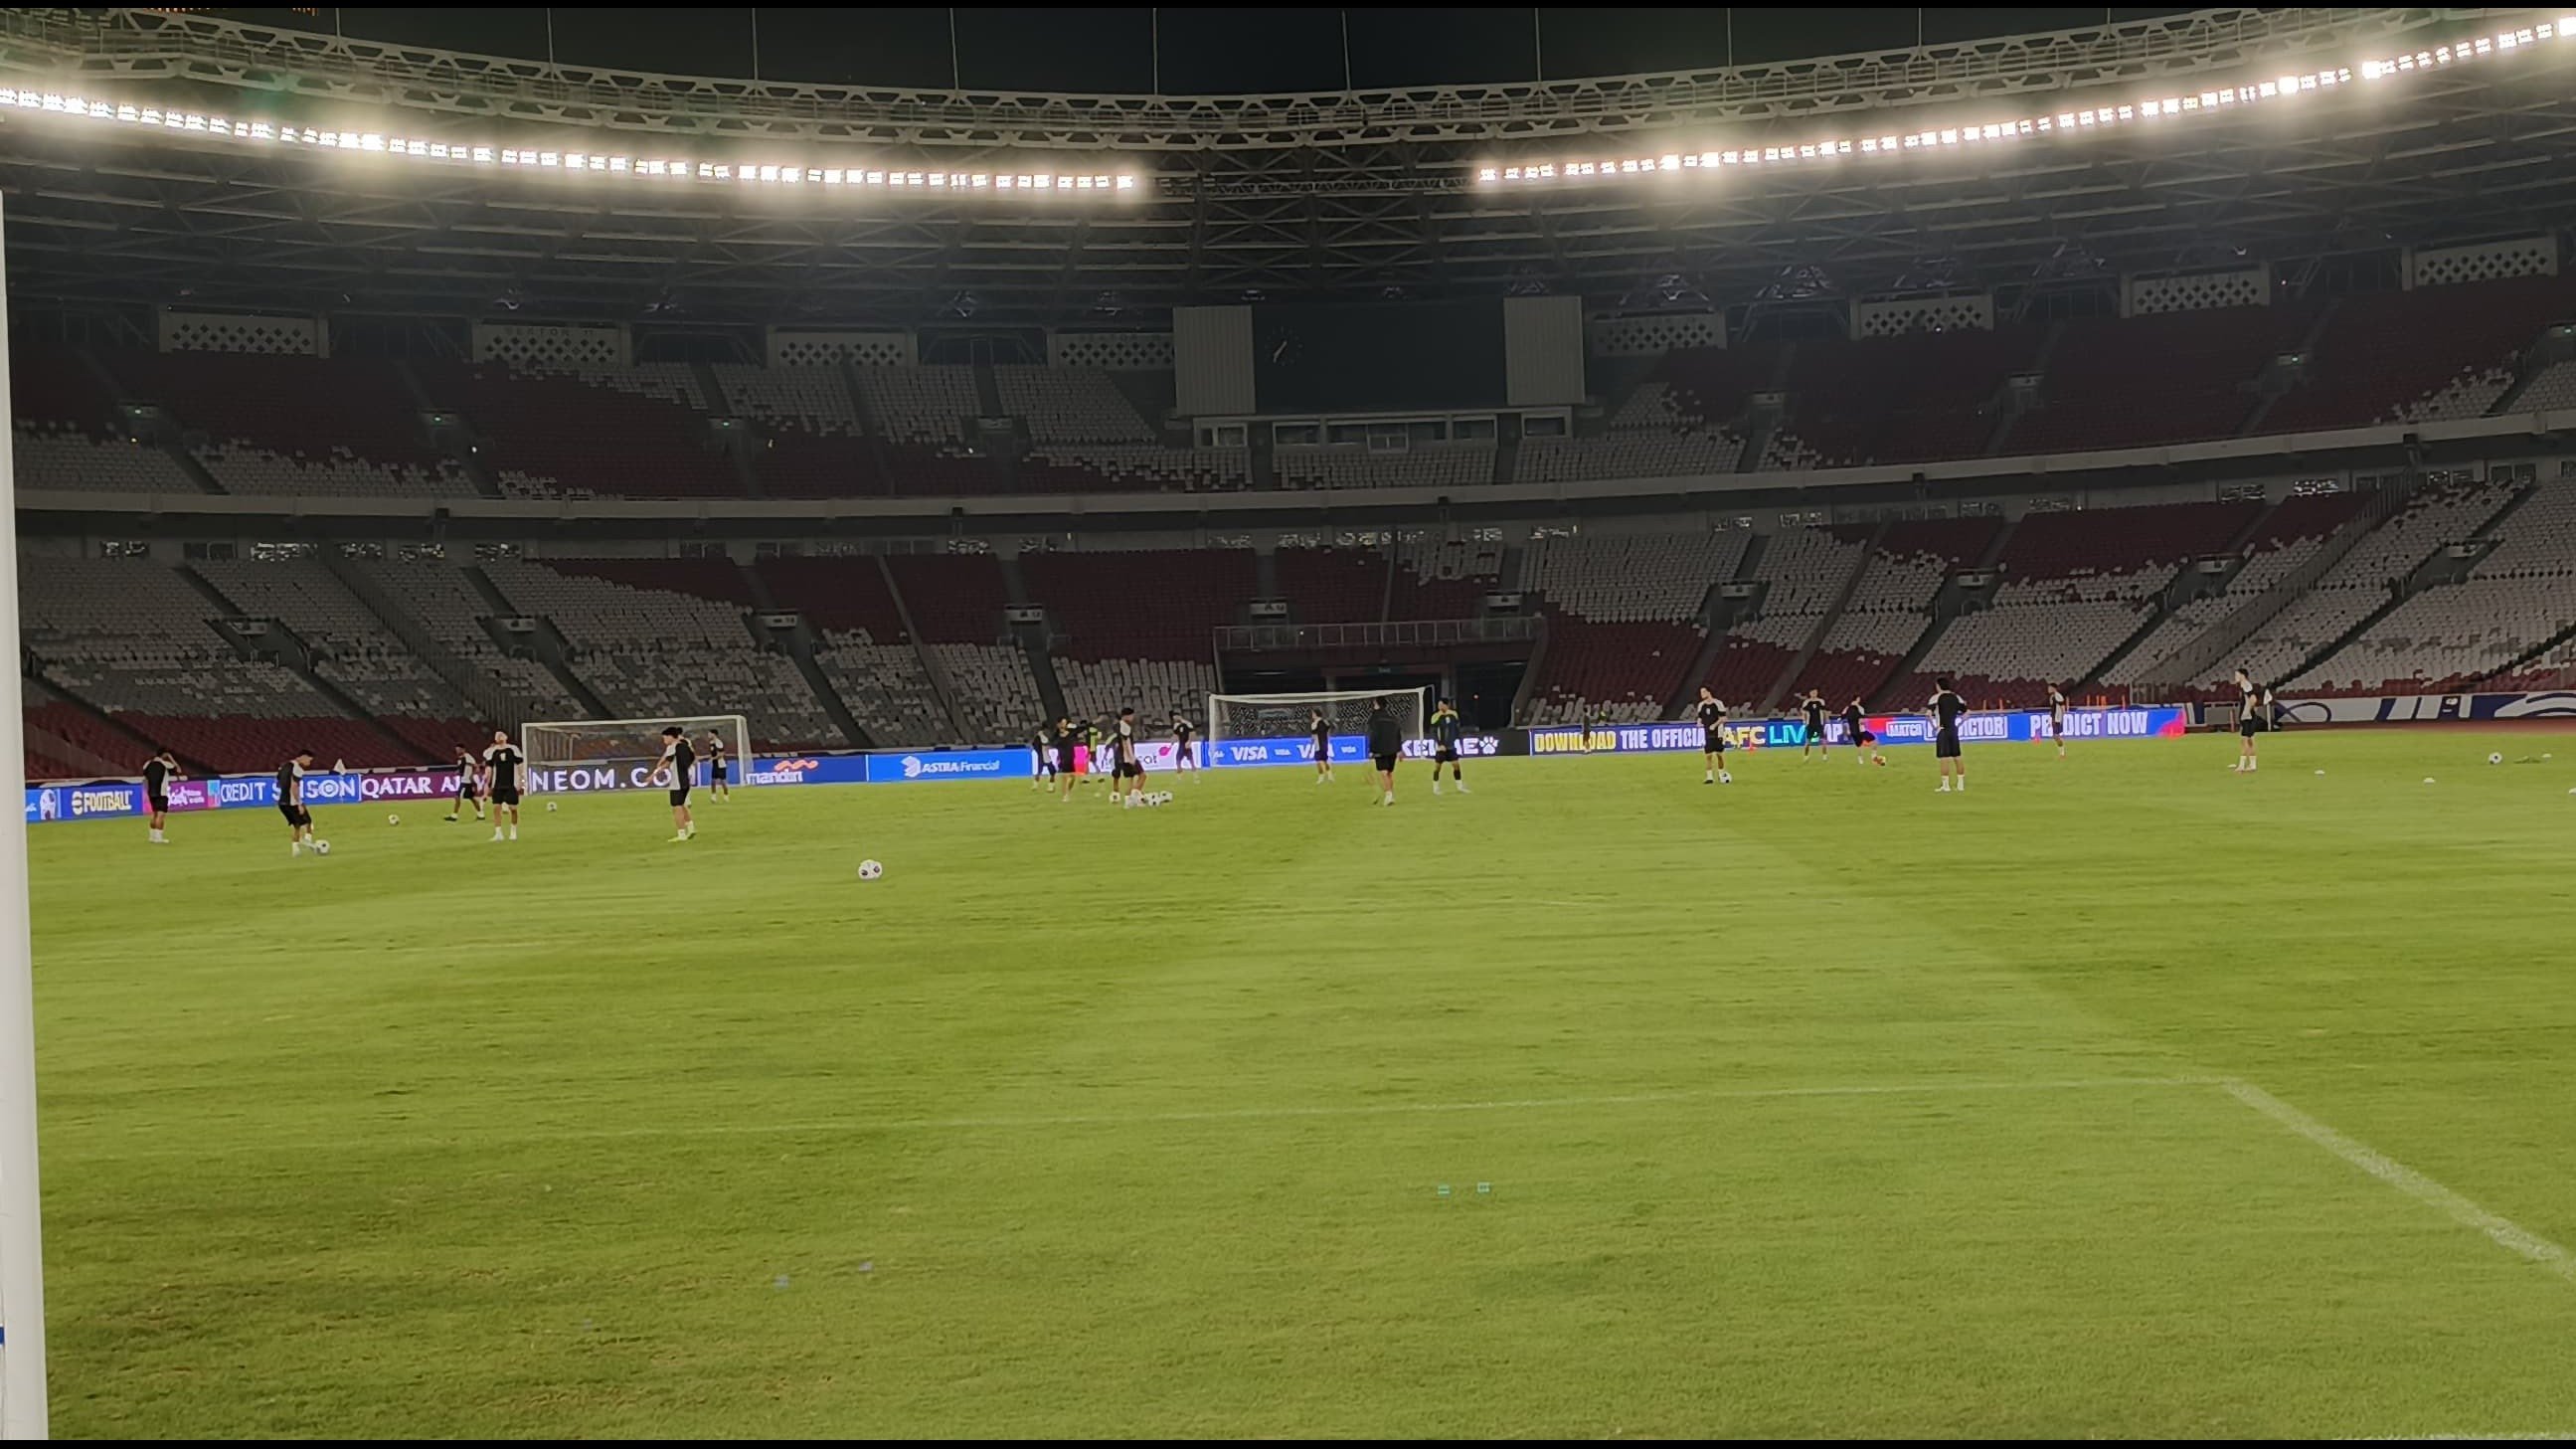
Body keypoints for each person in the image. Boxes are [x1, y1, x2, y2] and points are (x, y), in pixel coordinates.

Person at [656, 725, 697, 840]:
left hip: (677, 781)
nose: (664, 740)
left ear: (671, 736)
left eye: (665, 737)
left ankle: (681, 834)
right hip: (685, 778)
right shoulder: (686, 744)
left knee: (677, 807)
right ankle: (691, 827)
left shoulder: (674, 746)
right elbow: (693, 756)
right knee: (683, 804)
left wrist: (655, 771)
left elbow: (667, 760)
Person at [483, 729, 525, 842]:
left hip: (511, 783)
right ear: (496, 739)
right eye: (498, 735)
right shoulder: (492, 752)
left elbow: (520, 765)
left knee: (513, 808)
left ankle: (513, 832)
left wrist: (522, 780)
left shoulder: (513, 749)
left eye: (502, 735)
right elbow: (489, 767)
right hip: (498, 784)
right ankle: (498, 833)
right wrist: (487, 780)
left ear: (506, 737)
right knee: (496, 807)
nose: (500, 736)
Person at [277, 748, 319, 857]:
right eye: (309, 760)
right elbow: (294, 786)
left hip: (282, 802)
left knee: (297, 826)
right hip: (292, 802)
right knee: (308, 821)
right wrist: (299, 803)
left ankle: (296, 850)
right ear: (303, 757)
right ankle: (309, 844)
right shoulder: (298, 768)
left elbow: (279, 781)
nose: (309, 764)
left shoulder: (283, 766)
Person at [1931, 679, 1969, 794]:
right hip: (1953, 729)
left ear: (1938, 686)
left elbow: (1928, 714)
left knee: (1944, 758)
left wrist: (1935, 726)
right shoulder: (1957, 697)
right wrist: (1959, 724)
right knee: (1957, 756)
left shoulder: (1936, 698)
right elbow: (1967, 713)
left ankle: (1946, 786)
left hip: (1943, 730)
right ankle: (1960, 784)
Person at [1366, 696, 1404, 807]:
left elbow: (1374, 734)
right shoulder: (1392, 718)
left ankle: (1388, 796)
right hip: (1392, 748)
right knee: (1389, 773)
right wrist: (1399, 749)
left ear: (1376, 704)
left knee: (1383, 772)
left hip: (1380, 748)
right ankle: (1390, 796)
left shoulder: (1374, 718)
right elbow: (1398, 734)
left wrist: (1371, 750)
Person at [1428, 696, 1469, 796]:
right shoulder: (1436, 716)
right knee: (1437, 767)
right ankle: (1435, 788)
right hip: (1441, 747)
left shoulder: (1453, 715)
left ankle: (1460, 787)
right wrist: (1439, 744)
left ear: (1446, 705)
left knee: (1456, 765)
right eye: (1439, 704)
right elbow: (1433, 732)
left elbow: (1456, 729)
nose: (1439, 706)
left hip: (1451, 746)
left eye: (1441, 704)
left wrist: (1457, 740)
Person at [2231, 667, 2270, 774]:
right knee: (2250, 740)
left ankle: (2241, 766)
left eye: (2237, 675)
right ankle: (2252, 765)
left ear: (2242, 675)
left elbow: (2253, 698)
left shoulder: (2246, 686)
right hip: (2249, 716)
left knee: (2244, 741)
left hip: (2247, 717)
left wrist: (2249, 710)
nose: (2235, 677)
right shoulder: (2244, 686)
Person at [1693, 687, 1732, 786]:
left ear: (1709, 692)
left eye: (1703, 692)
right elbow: (1700, 717)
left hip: (1718, 733)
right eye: (1701, 692)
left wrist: (1714, 725)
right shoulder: (1701, 705)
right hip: (1707, 733)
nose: (1701, 694)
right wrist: (1698, 723)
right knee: (1708, 755)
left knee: (1719, 755)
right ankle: (1709, 777)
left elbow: (1724, 718)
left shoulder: (1718, 703)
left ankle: (1721, 774)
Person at [142, 749, 180, 844]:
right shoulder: (165, 764)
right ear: (164, 755)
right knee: (160, 815)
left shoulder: (147, 764)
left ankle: (152, 836)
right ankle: (158, 838)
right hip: (161, 793)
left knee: (154, 814)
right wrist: (171, 757)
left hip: (151, 792)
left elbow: (145, 777)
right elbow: (178, 769)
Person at [1114, 706, 1147, 808]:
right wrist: (1131, 758)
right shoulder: (1125, 727)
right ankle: (1135, 797)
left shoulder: (1118, 726)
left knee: (1130, 780)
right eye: (1131, 715)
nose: (1133, 717)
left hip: (1122, 757)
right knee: (1143, 775)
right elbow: (1126, 743)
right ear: (1126, 716)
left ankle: (1128, 802)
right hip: (1128, 757)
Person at [444, 745, 486, 823]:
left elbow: (476, 767)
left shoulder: (467, 757)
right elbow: (463, 769)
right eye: (456, 749)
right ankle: (481, 815)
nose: (457, 751)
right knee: (472, 798)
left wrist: (471, 775)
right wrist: (458, 771)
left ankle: (454, 816)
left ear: (463, 749)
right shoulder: (460, 759)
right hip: (464, 781)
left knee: (457, 797)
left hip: (466, 782)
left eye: (459, 749)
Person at [1841, 698, 1886, 767]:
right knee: (1871, 742)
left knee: (1864, 744)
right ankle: (1871, 757)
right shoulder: (1857, 709)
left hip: (1858, 731)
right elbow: (1861, 720)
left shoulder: (1850, 709)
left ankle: (1866, 758)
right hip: (1861, 731)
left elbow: (1843, 715)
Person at [1053, 715, 1084, 803]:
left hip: (1072, 757)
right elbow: (1054, 743)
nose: (1064, 725)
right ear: (1058, 724)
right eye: (1062, 723)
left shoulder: (1071, 733)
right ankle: (1065, 796)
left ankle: (1067, 792)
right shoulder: (1056, 736)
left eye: (1065, 723)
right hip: (1063, 758)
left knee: (1073, 777)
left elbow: (1081, 729)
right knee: (1065, 778)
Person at [1801, 688, 1829, 760]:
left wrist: (1827, 719)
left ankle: (1824, 756)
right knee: (1808, 741)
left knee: (1823, 740)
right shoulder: (1807, 702)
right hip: (1810, 724)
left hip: (1819, 723)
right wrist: (1804, 720)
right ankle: (1806, 756)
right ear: (1810, 693)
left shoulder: (1821, 701)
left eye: (1815, 692)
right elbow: (1803, 712)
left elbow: (1824, 711)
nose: (1814, 694)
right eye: (1812, 692)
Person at [1169, 706, 1197, 781]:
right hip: (1181, 744)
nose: (1174, 719)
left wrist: (1189, 741)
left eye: (1174, 717)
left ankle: (1195, 776)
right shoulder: (1176, 725)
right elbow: (1176, 735)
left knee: (1191, 759)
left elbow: (1193, 733)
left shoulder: (1188, 724)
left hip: (1187, 744)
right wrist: (1172, 741)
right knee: (1178, 759)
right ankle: (1179, 776)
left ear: (1178, 716)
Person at [1309, 706, 1334, 785]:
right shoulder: (1325, 722)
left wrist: (1311, 743)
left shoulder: (1314, 724)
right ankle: (1329, 775)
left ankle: (1321, 777)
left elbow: (1313, 735)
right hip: (1325, 744)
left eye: (1313, 714)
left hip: (1318, 745)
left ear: (1316, 714)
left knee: (1319, 761)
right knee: (1324, 760)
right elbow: (1329, 729)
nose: (1312, 715)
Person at [705, 730, 732, 803]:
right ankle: (713, 796)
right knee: (713, 781)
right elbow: (713, 754)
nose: (708, 735)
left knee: (723, 782)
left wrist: (712, 759)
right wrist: (704, 757)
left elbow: (721, 754)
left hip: (721, 765)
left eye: (709, 733)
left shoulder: (718, 742)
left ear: (713, 734)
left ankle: (726, 795)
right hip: (715, 764)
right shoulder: (711, 743)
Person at [2044, 683, 2070, 760]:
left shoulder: (2057, 696)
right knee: (2056, 736)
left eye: (2049, 688)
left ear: (2054, 688)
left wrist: (2061, 717)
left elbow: (2062, 707)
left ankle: (2062, 754)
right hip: (2054, 718)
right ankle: (2062, 753)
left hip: (2057, 718)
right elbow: (2053, 708)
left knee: (2056, 736)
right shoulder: (2052, 696)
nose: (2048, 689)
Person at [1031, 721, 1057, 791]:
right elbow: (1047, 742)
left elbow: (1034, 744)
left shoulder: (1038, 734)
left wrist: (1038, 751)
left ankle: (1035, 785)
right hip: (1046, 755)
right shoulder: (1046, 733)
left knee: (1039, 771)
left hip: (1040, 755)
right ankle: (1050, 787)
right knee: (1052, 771)